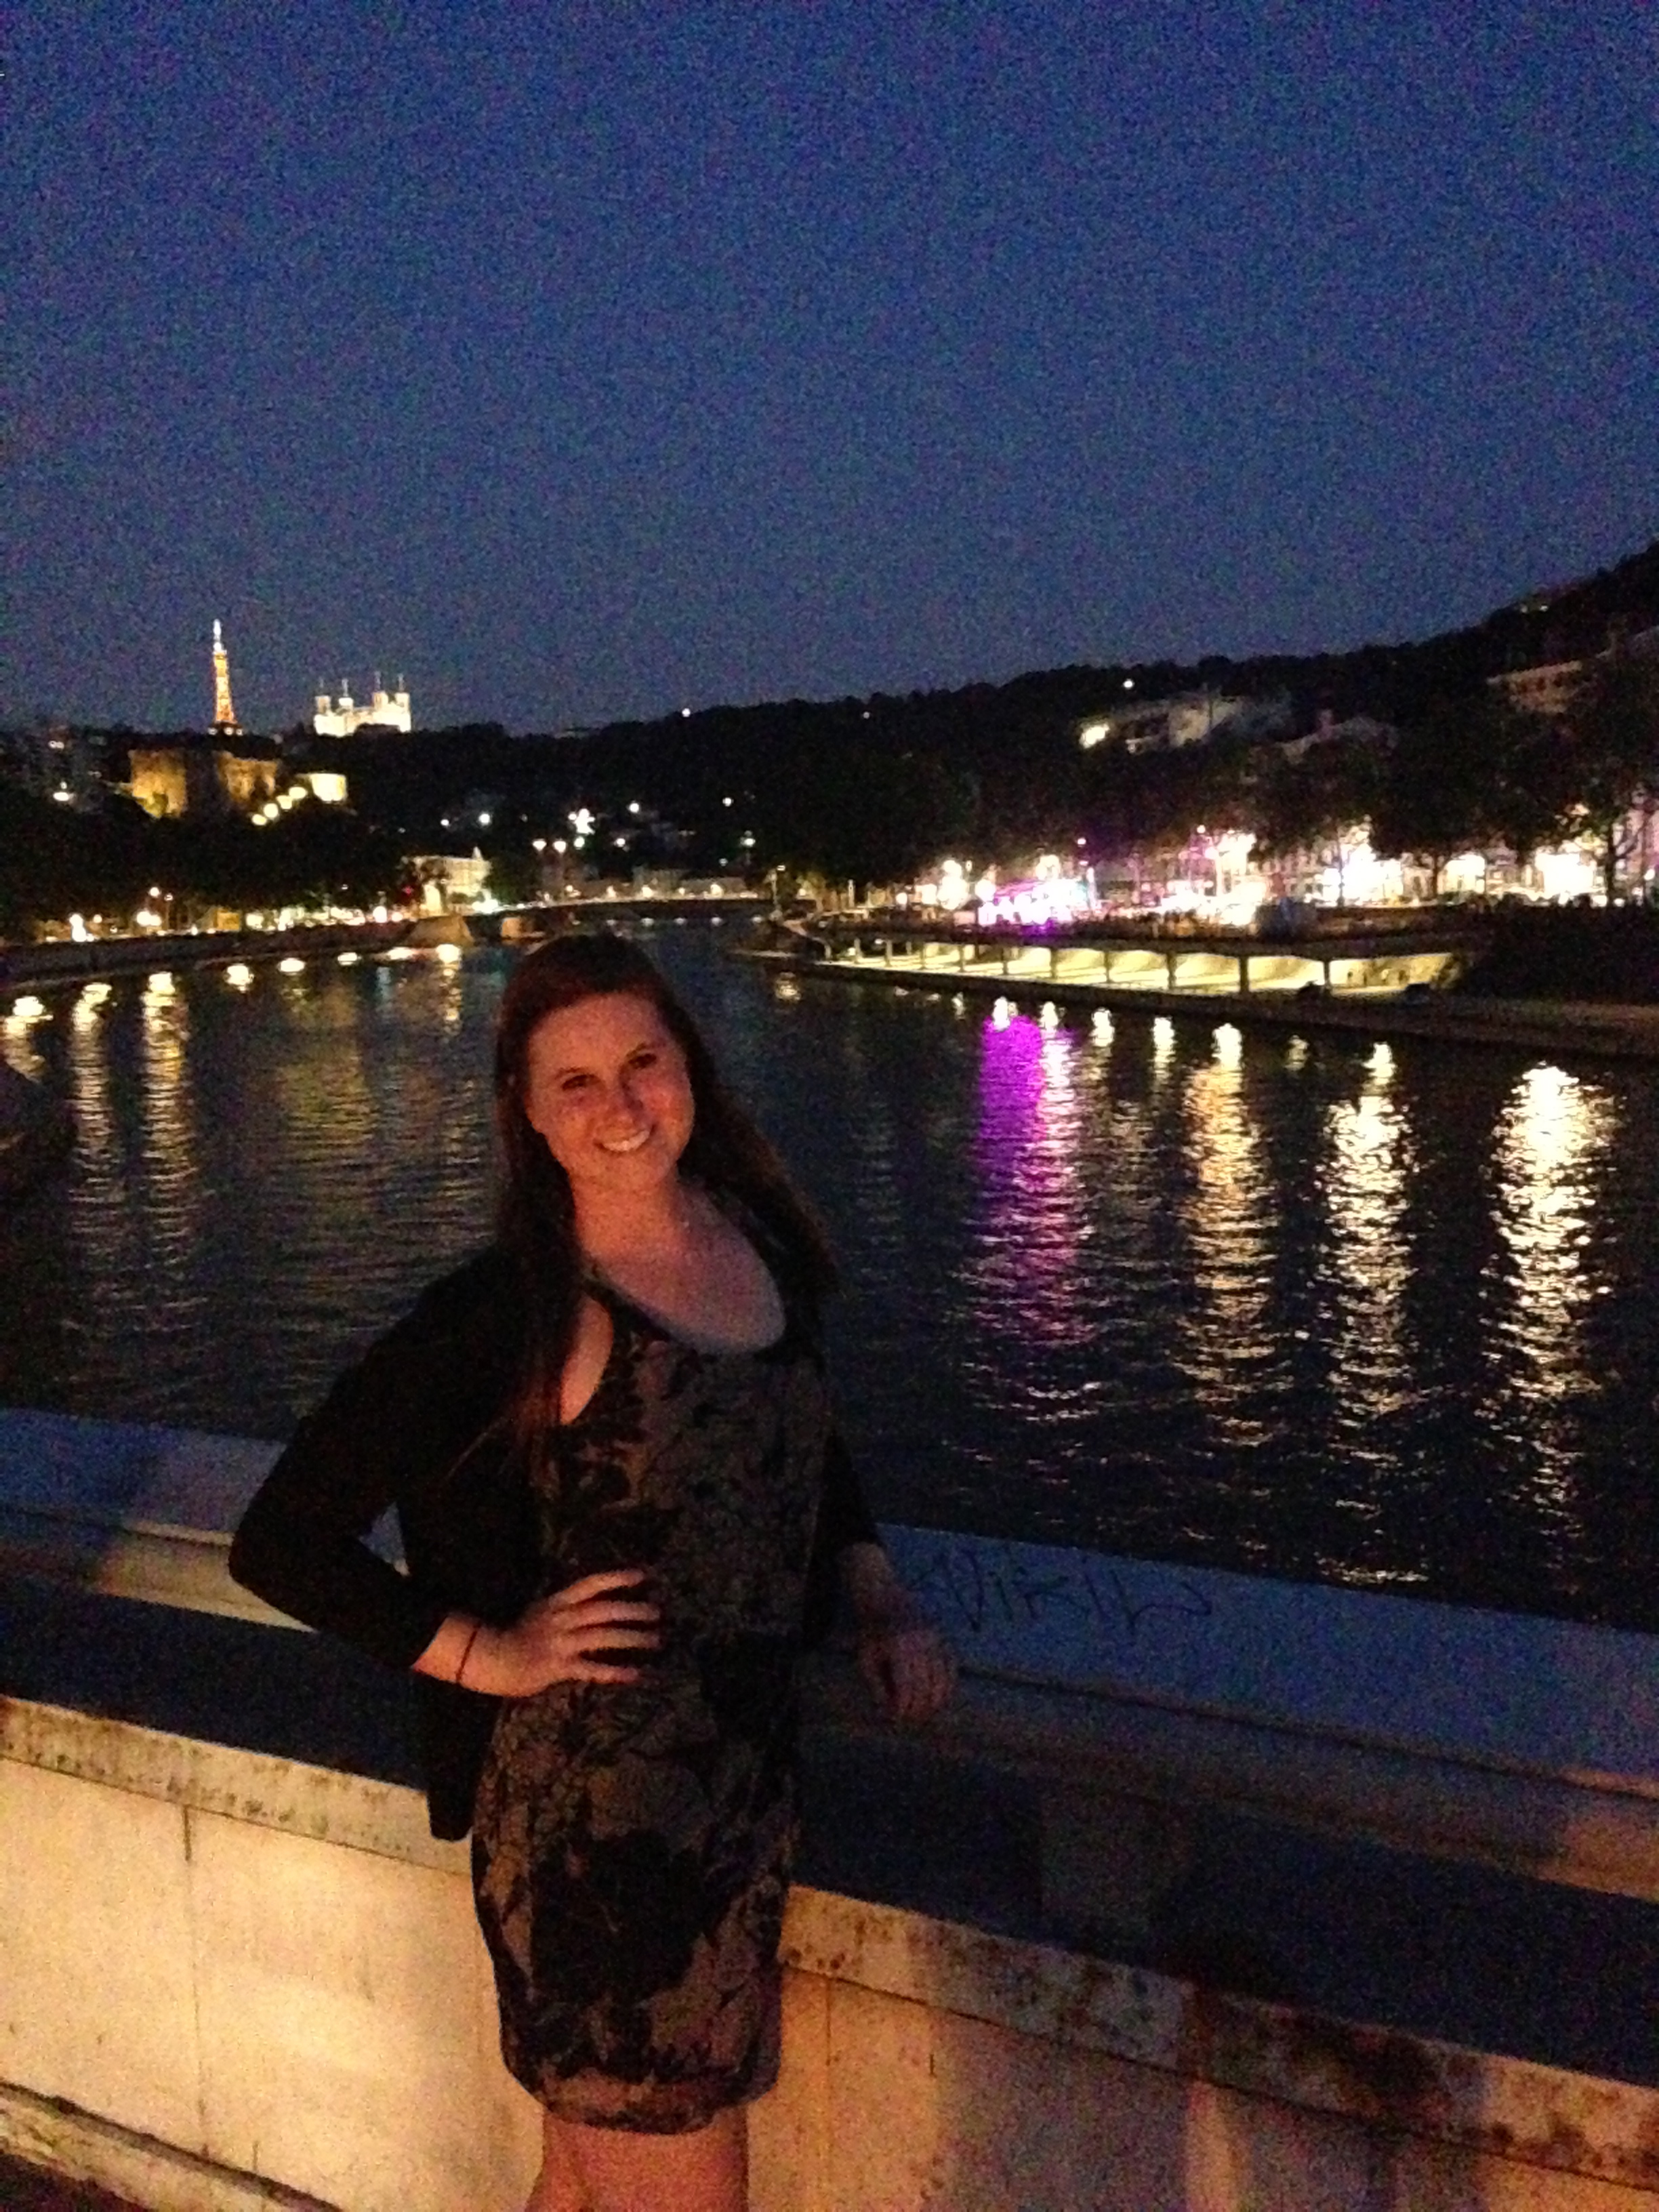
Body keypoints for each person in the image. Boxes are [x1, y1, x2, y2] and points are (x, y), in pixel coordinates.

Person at [229, 930, 955, 2212]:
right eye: (576, 1082)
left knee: (579, 2184)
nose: (620, 1105)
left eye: (643, 1062)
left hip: (739, 1808)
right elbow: (282, 1540)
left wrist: (876, 1587)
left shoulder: (758, 1245)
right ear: (526, 1111)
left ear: (689, 1065)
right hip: (598, 1848)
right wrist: (489, 1654)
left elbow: (799, 1440)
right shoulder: (515, 1312)